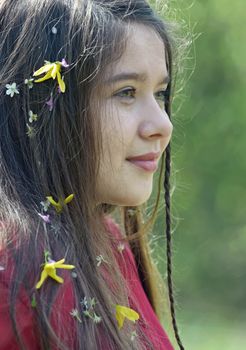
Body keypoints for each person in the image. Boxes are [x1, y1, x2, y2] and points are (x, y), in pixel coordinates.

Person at [0, 0, 185, 349]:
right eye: (126, 92)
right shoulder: (13, 272)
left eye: (160, 93)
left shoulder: (105, 240)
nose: (163, 125)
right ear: (44, 108)